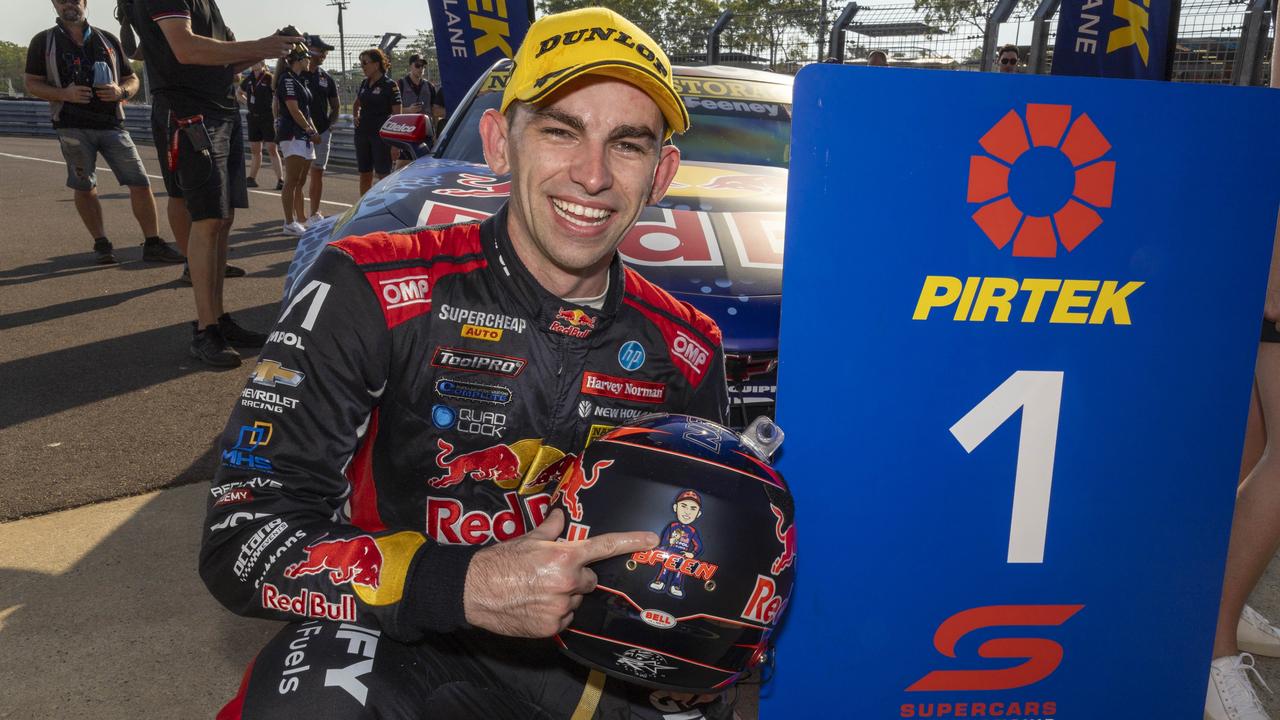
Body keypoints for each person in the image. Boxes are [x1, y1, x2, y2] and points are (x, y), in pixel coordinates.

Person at [201, 8, 739, 719]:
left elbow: (693, 565)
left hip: (589, 662)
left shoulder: (687, 346)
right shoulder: (369, 284)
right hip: (404, 636)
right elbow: (242, 538)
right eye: (559, 130)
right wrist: (460, 585)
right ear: (498, 143)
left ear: (660, 173)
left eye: (628, 145)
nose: (591, 175)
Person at [128, 1, 299, 367]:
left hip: (220, 111)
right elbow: (185, 48)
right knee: (206, 219)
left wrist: (271, 48)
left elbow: (223, 62)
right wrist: (261, 46)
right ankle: (206, 330)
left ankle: (219, 319)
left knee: (222, 219)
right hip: (189, 113)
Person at [23, 0, 183, 266]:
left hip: (112, 125)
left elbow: (132, 78)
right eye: (62, 1)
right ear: (54, 5)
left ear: (85, 3)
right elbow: (32, 83)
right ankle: (101, 243)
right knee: (85, 186)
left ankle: (153, 242)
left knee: (140, 183)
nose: (68, 5)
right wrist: (64, 94)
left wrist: (121, 92)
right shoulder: (44, 41)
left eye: (74, 0)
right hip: (71, 125)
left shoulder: (106, 38)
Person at [273, 44, 319, 236]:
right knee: (291, 180)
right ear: (299, 60)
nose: (310, 60)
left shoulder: (300, 80)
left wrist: (313, 130)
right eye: (307, 57)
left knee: (299, 180)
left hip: (304, 136)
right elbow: (293, 109)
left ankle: (301, 219)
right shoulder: (287, 80)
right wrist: (309, 130)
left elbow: (306, 111)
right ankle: (288, 222)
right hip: (292, 134)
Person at [299, 34, 339, 226]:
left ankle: (314, 213)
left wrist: (331, 124)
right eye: (320, 50)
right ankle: (296, 217)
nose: (323, 54)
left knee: (317, 172)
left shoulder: (326, 77)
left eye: (325, 51)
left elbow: (336, 105)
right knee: (297, 176)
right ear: (309, 49)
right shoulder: (296, 73)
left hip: (321, 132)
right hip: (299, 132)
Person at [352, 47, 401, 196]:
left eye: (365, 63)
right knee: (364, 174)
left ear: (377, 64)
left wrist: (395, 144)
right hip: (362, 135)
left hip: (381, 137)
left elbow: (397, 116)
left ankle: (383, 208)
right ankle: (362, 210)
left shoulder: (390, 85)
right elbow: (356, 104)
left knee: (383, 176)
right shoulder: (364, 84)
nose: (363, 67)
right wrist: (355, 116)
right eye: (361, 63)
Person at [237, 60, 283, 191]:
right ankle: (251, 178)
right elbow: (238, 93)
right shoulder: (249, 78)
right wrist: (248, 104)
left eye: (257, 62)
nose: (254, 64)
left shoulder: (269, 78)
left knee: (271, 148)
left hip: (267, 117)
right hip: (253, 117)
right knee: (255, 150)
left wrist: (276, 114)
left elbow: (277, 96)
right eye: (253, 61)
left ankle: (280, 179)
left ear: (262, 64)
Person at [394, 53, 442, 168]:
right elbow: (393, 110)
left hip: (426, 133)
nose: (421, 69)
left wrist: (435, 133)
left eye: (423, 66)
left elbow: (434, 111)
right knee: (401, 166)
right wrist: (408, 110)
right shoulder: (400, 84)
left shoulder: (429, 86)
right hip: (407, 131)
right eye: (417, 66)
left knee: (426, 166)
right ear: (410, 66)